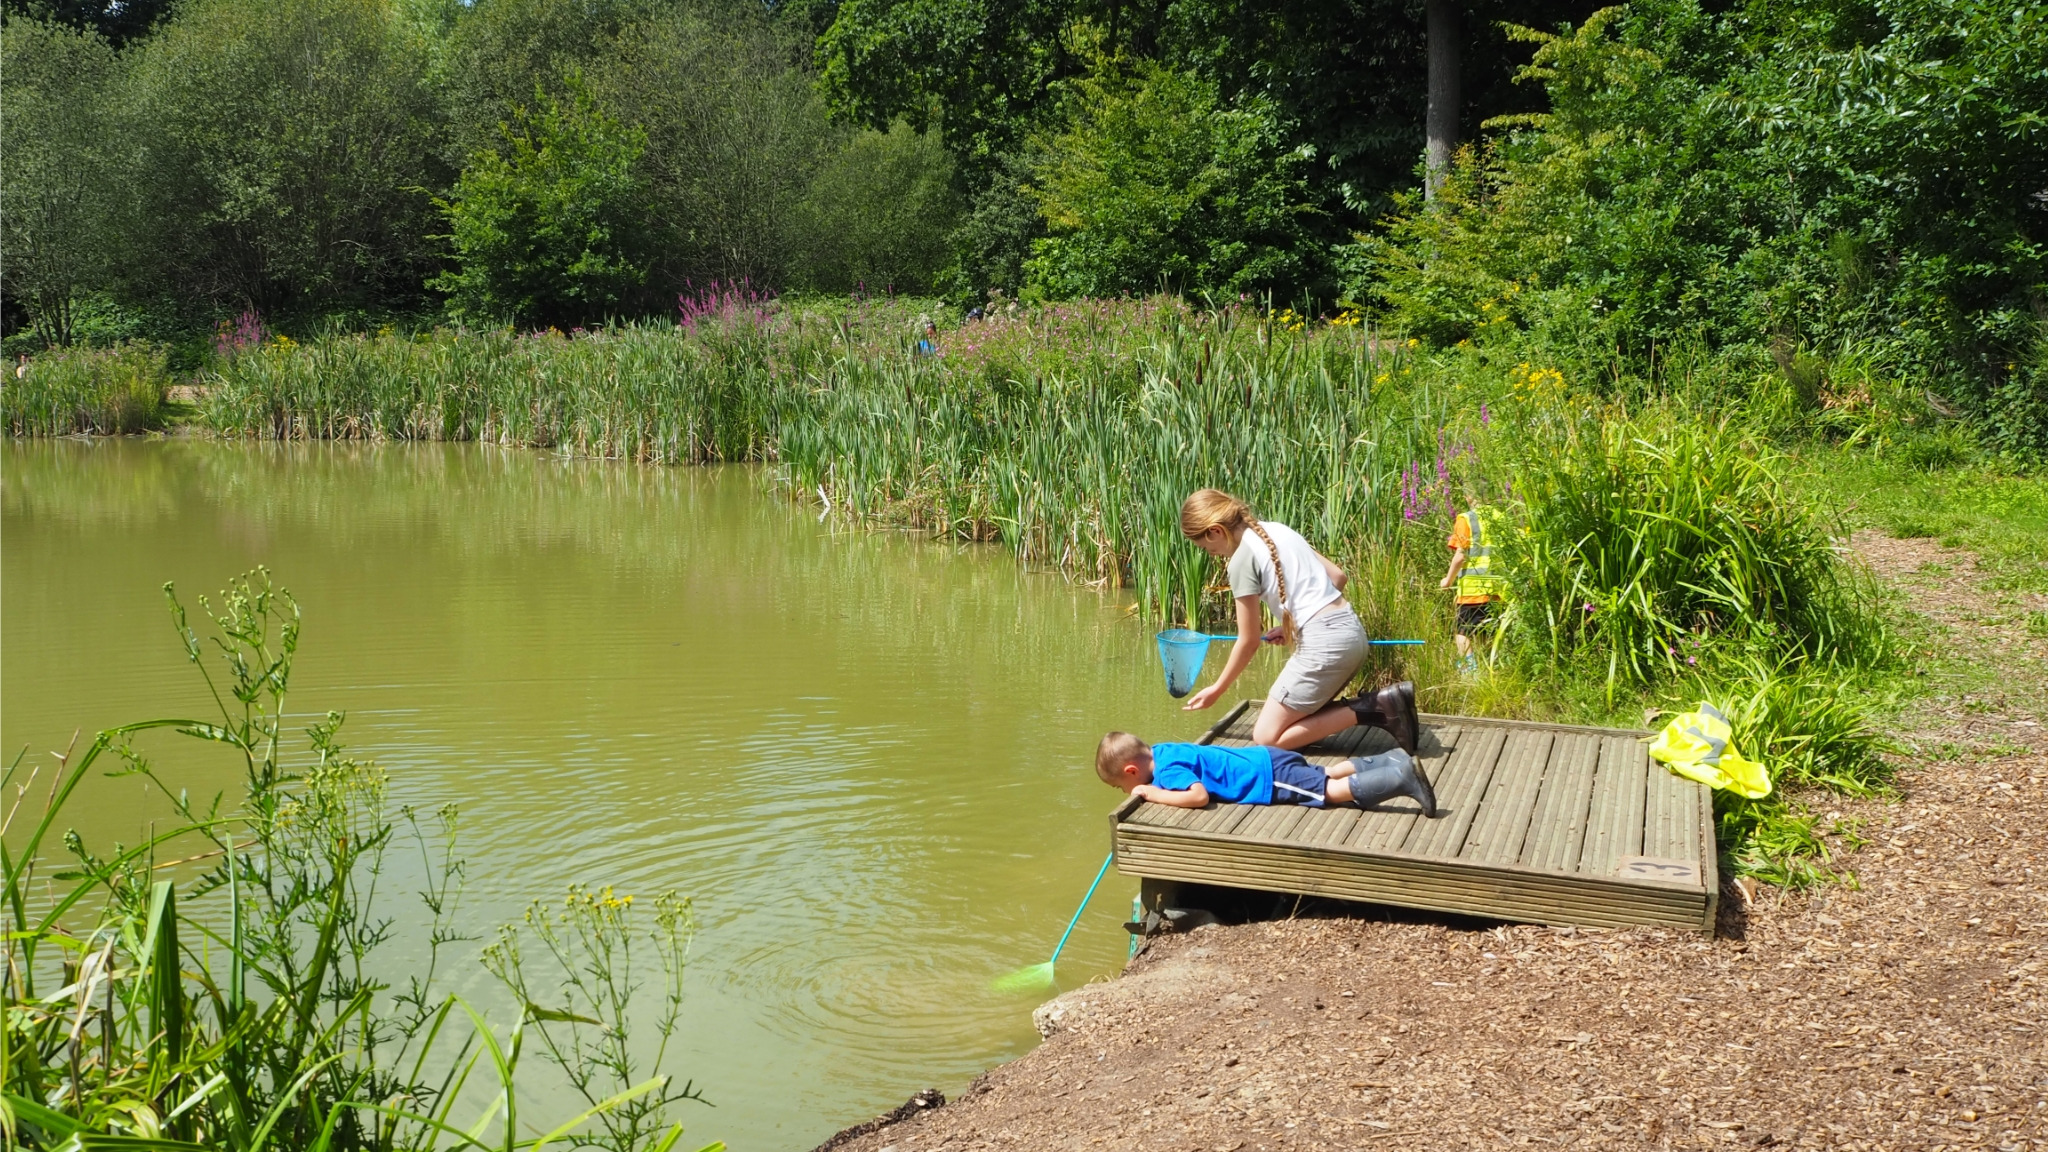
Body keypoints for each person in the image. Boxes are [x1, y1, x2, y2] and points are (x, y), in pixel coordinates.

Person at [1177, 488, 1418, 753]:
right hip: (1352, 635)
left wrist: (1217, 689)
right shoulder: (1277, 530)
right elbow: (1338, 577)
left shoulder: (1241, 561)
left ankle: (1376, 707)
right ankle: (1379, 706)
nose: (1210, 553)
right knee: (1289, 725)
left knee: (1266, 738)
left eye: (1205, 547)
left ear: (1215, 531)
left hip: (1325, 648)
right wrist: (1293, 626)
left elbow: (1248, 641)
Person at [1094, 731, 1436, 816]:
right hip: (1266, 757)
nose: (1127, 792)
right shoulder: (1164, 750)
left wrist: (1153, 793)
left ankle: (1402, 777)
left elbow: (1197, 796)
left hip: (1266, 777)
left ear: (1132, 770)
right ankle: (1389, 758)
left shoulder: (1167, 773)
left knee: (1327, 792)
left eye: (1122, 786)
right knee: (1327, 773)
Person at [1439, 503, 1507, 674]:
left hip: (1473, 590)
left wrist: (1447, 580)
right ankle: (1492, 672)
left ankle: (1469, 673)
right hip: (1497, 590)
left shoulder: (1467, 519)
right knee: (1489, 634)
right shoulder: (1501, 516)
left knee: (1461, 633)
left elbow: (1460, 556)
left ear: (1468, 495)